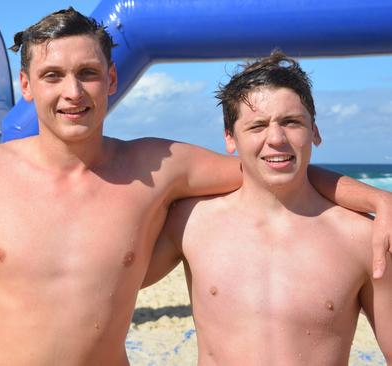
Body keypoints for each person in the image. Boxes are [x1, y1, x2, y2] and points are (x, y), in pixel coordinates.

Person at [0, 8, 392, 365]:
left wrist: (375, 200)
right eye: (53, 75)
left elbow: (271, 165)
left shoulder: (158, 165)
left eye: (88, 73)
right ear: (26, 85)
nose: (73, 92)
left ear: (111, 79)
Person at [144, 51, 392, 364]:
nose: (276, 138)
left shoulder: (362, 237)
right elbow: (100, 293)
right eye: (257, 126)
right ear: (230, 138)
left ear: (314, 131)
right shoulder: (190, 221)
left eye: (291, 122)